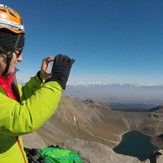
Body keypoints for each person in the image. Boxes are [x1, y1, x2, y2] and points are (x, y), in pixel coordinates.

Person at [0, 4, 75, 163]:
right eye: (18, 52)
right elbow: (22, 119)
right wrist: (57, 81)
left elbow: (19, 101)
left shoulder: (3, 81)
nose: (21, 59)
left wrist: (40, 78)